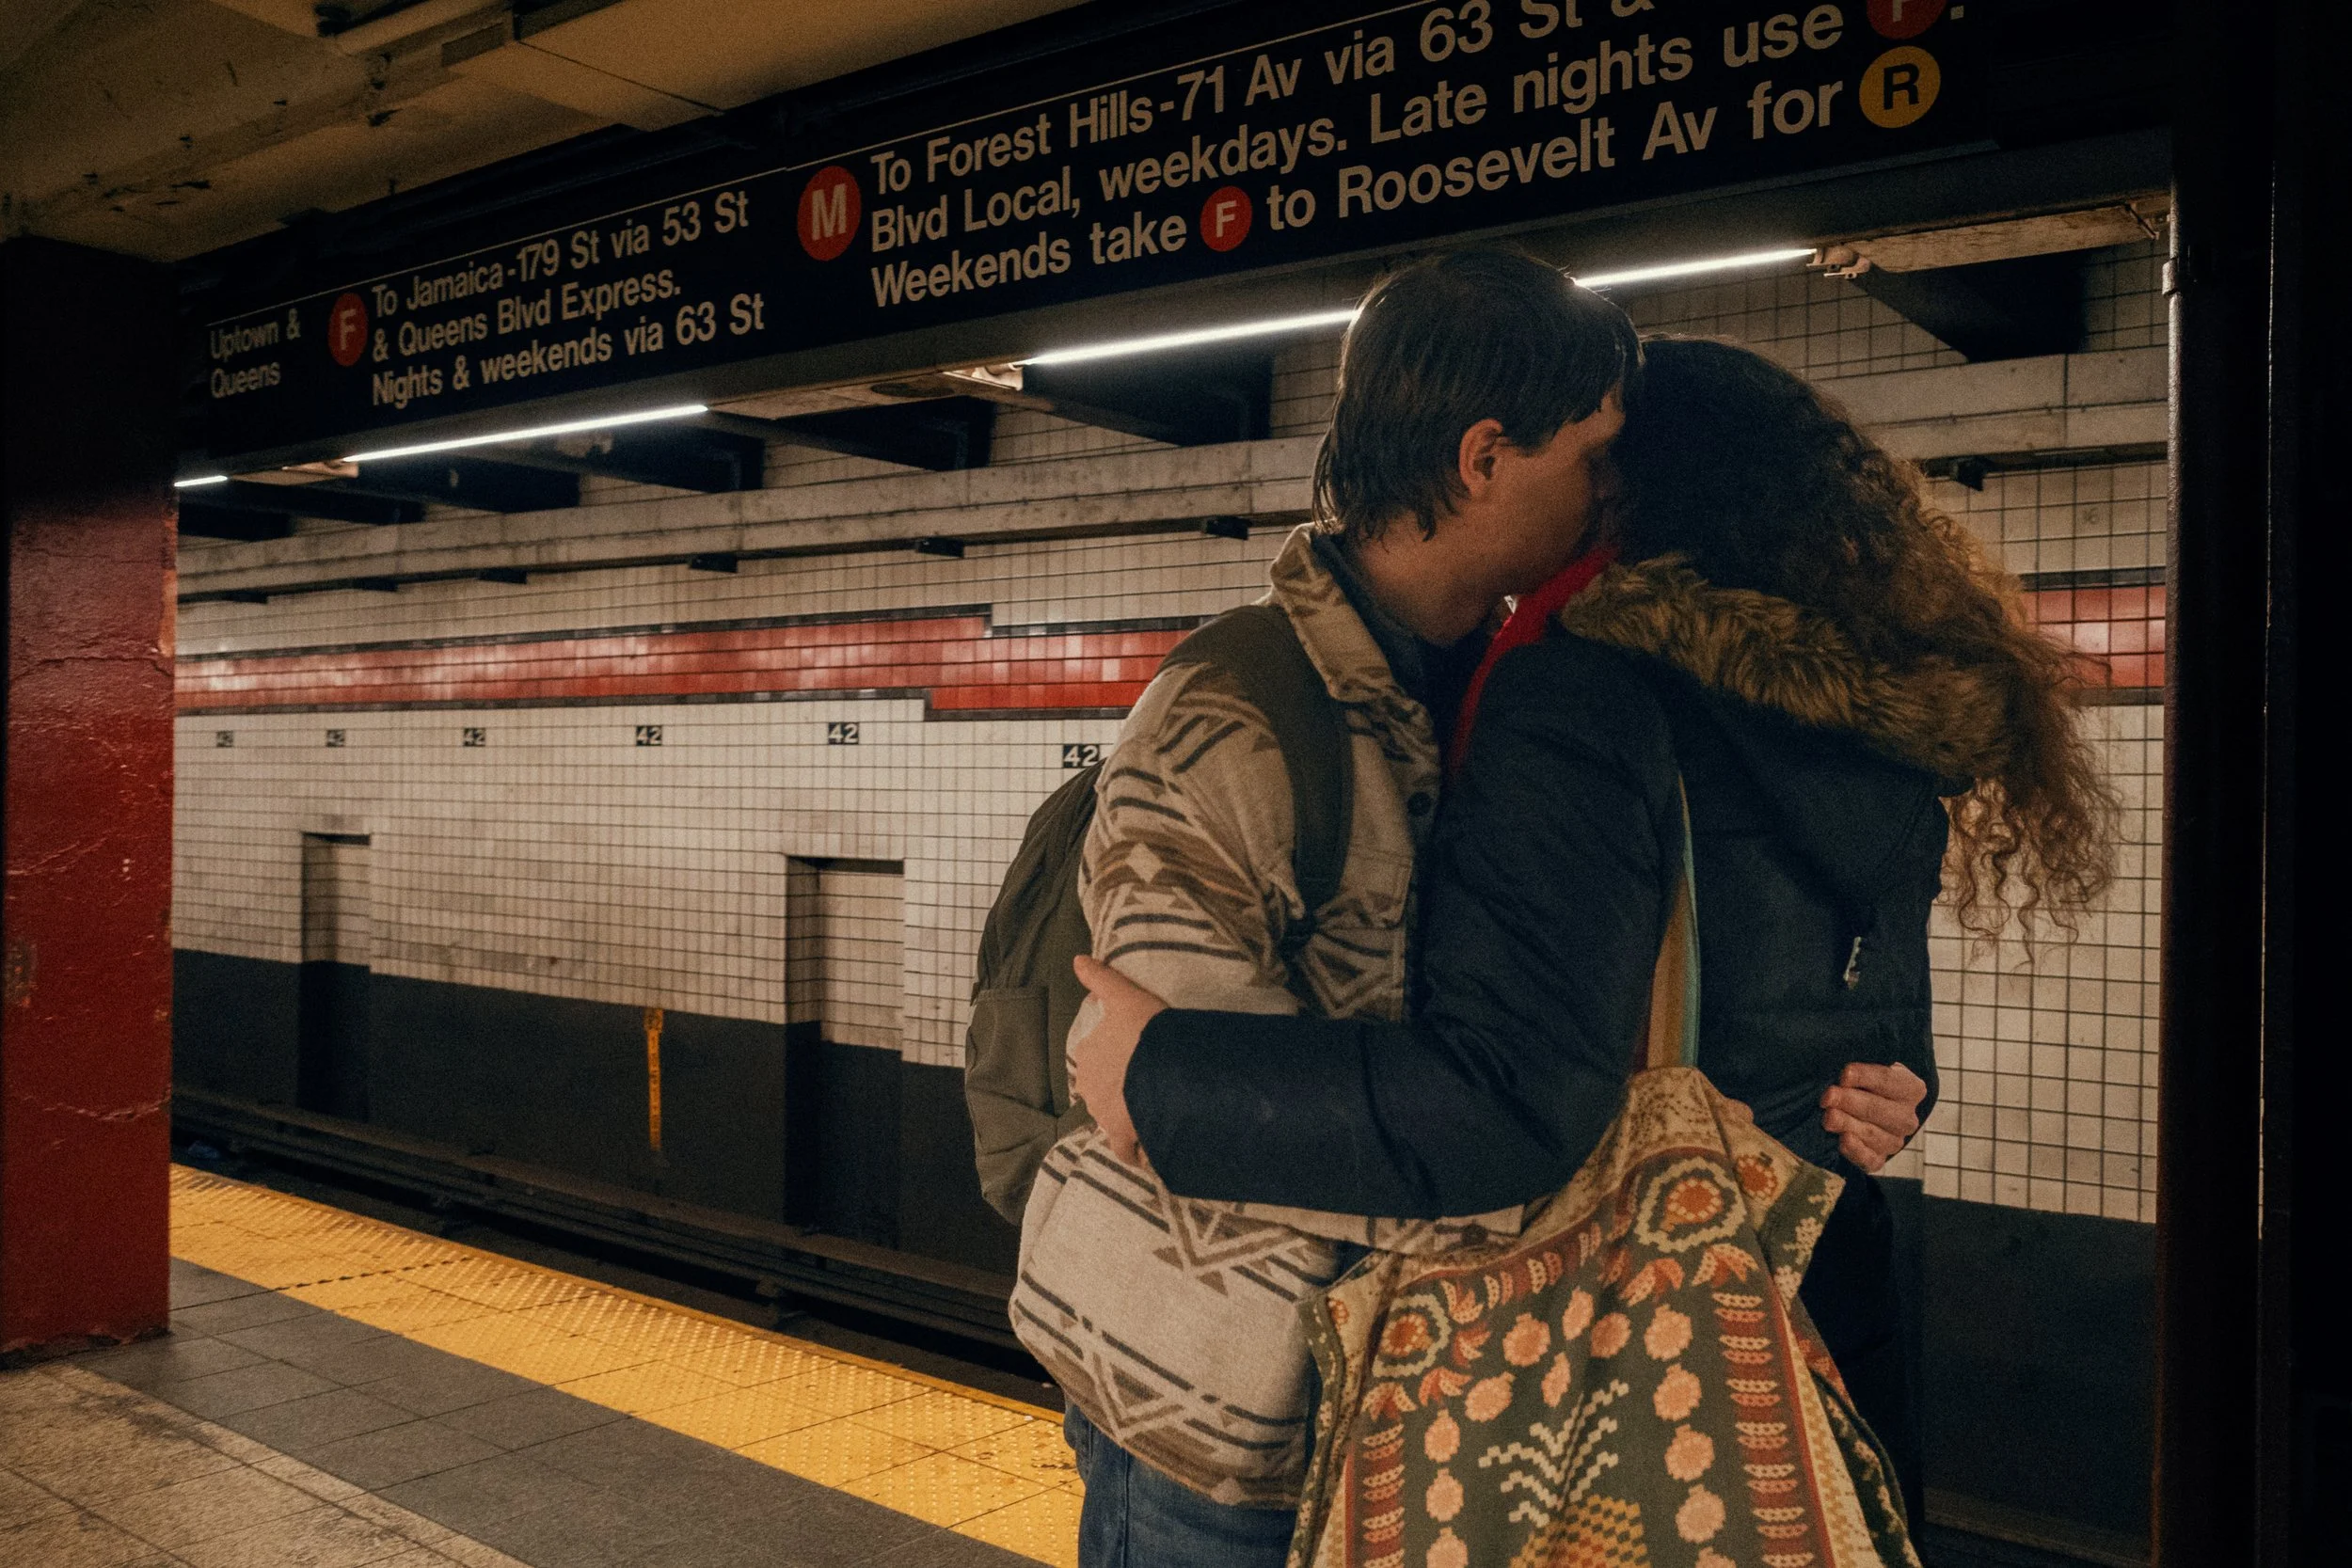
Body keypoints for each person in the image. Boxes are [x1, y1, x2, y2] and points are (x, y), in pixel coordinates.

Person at [1070, 335, 2118, 1525]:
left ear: (1633, 484)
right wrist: (1895, 1087)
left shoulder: (1584, 688)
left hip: (1622, 1339)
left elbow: (1505, 1097)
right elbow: (1869, 1025)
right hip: (1814, 1299)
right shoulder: (1875, 713)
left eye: (1593, 454)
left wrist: (1160, 1074)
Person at [1028, 249, 1639, 1568]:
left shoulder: (1520, 691)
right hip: (1219, 1415)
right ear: (1484, 457)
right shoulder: (1234, 711)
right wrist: (1525, 1175)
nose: (1610, 491)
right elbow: (1176, 1110)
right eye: (1591, 452)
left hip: (1425, 1394)